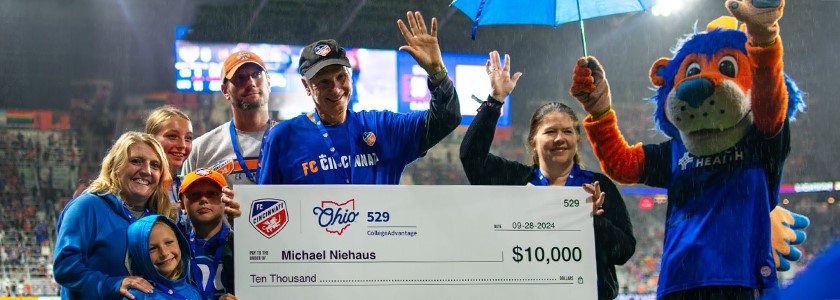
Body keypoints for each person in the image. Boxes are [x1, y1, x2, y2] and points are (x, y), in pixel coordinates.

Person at [459, 51, 635, 299]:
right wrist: (495, 100)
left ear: (577, 139)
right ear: (533, 140)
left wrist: (593, 221)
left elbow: (624, 250)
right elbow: (471, 157)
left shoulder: (596, 185)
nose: (560, 138)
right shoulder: (516, 180)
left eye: (567, 131)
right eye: (550, 131)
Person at [258, 11, 461, 184]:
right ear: (307, 87)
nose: (336, 89)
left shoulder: (384, 128)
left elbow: (446, 118)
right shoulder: (283, 138)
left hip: (380, 232)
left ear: (351, 77)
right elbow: (266, 209)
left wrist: (438, 74)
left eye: (341, 77)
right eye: (324, 82)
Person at [54, 132, 177, 299]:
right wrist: (113, 285)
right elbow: (65, 267)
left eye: (155, 165)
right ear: (115, 165)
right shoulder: (88, 206)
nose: (146, 171)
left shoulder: (158, 218)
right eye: (136, 161)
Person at [183, 50, 275, 186]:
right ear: (225, 91)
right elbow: (184, 203)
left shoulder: (292, 140)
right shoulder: (201, 150)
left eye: (256, 74)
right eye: (240, 78)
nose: (250, 82)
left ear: (268, 83)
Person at [145, 106, 241, 229]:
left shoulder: (191, 187)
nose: (182, 145)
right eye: (172, 136)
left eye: (188, 138)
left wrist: (234, 221)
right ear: (151, 139)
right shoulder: (138, 188)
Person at [178, 168, 236, 300]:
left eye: (212, 193)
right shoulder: (175, 246)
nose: (203, 199)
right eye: (194, 195)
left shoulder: (239, 244)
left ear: (226, 200)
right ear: (182, 205)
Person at [124, 215, 201, 300]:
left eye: (169, 242)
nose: (164, 253)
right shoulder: (136, 296)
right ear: (139, 256)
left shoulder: (192, 290)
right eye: (152, 248)